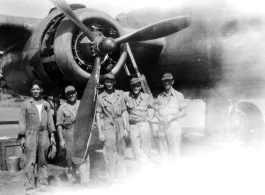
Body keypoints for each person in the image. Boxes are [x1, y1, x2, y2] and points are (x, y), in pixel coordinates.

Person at [19, 80, 56, 191]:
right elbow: (22, 122)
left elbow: (50, 122)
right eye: (33, 89)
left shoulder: (46, 104)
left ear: (41, 90)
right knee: (30, 160)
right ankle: (29, 185)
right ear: (31, 91)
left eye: (37, 89)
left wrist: (52, 136)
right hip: (30, 134)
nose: (35, 91)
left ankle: (43, 184)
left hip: (44, 134)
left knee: (43, 161)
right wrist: (22, 137)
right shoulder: (26, 104)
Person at [56, 85, 92, 187]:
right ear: (66, 95)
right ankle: (71, 178)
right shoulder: (62, 108)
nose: (71, 95)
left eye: (72, 93)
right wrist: (61, 140)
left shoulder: (82, 104)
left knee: (84, 155)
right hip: (69, 133)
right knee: (69, 156)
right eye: (68, 94)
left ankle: (85, 179)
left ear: (76, 93)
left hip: (81, 133)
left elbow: (89, 117)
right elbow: (59, 125)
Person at [96, 73, 128, 183]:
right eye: (107, 82)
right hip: (108, 125)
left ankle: (122, 176)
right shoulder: (100, 97)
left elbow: (124, 112)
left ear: (114, 82)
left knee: (121, 151)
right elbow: (98, 115)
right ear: (104, 83)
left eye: (111, 82)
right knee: (109, 152)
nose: (109, 84)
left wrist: (125, 128)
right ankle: (110, 177)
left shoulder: (120, 95)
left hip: (119, 124)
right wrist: (100, 132)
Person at [155, 73, 187, 163]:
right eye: (165, 81)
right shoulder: (159, 96)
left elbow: (185, 112)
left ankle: (176, 171)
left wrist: (173, 117)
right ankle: (165, 171)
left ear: (172, 81)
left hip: (173, 125)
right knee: (163, 151)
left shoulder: (179, 96)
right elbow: (156, 112)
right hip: (162, 126)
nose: (167, 83)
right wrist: (159, 119)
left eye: (168, 81)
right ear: (163, 82)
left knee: (175, 151)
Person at [123, 78, 155, 168]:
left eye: (137, 86)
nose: (135, 88)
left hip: (144, 124)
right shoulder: (127, 96)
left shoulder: (146, 96)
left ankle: (146, 171)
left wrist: (151, 117)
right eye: (133, 86)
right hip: (133, 126)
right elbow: (114, 93)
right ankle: (150, 166)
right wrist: (101, 87)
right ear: (131, 86)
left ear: (140, 86)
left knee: (146, 148)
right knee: (135, 150)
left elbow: (156, 106)